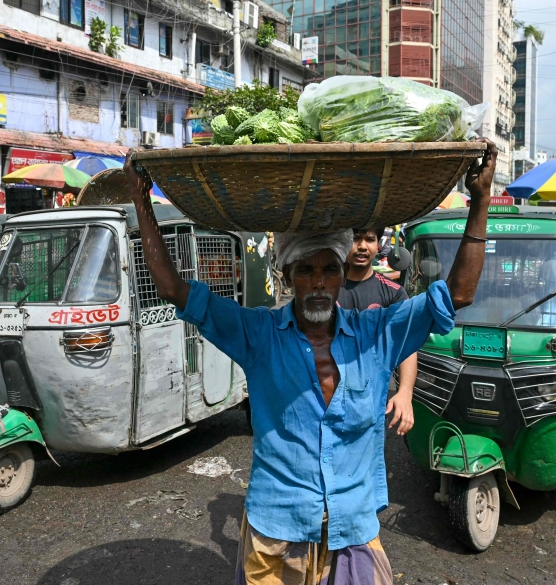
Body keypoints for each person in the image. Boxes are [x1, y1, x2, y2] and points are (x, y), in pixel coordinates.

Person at [125, 141, 497, 583]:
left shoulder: (378, 334)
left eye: (329, 270)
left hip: (353, 528)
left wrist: (481, 199)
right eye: (305, 271)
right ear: (287, 276)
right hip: (278, 529)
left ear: (342, 276)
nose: (319, 283)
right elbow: (171, 288)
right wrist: (140, 200)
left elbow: (458, 294)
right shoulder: (258, 335)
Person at [339, 227, 417, 437]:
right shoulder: (326, 288)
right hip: (327, 388)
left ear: (378, 245)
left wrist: (405, 393)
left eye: (369, 240)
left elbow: (406, 343)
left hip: (371, 395)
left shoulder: (393, 293)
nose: (363, 246)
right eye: (355, 239)